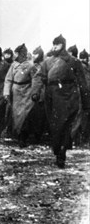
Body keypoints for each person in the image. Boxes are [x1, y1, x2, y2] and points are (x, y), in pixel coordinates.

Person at [31, 35, 90, 167]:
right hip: (51, 95)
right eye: (53, 45)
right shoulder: (48, 62)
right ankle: (58, 149)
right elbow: (39, 77)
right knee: (55, 125)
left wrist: (86, 102)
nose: (54, 47)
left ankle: (61, 153)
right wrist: (35, 92)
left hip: (68, 95)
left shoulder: (73, 61)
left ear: (62, 45)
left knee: (63, 124)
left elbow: (82, 82)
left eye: (57, 45)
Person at [3, 44, 35, 147]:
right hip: (15, 93)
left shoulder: (30, 66)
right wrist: (6, 92)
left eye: (17, 53)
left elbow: (35, 80)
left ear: (22, 54)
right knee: (16, 115)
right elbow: (8, 80)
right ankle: (17, 135)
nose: (15, 55)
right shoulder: (13, 65)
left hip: (26, 93)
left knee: (24, 115)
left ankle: (23, 138)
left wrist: (34, 93)